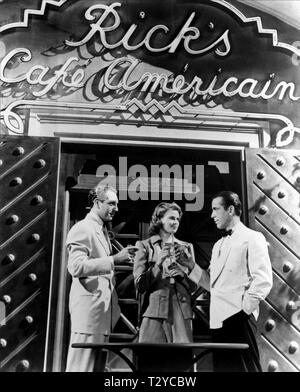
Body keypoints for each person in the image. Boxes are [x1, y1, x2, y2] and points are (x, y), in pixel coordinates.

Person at [176, 191, 273, 372]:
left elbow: (263, 280)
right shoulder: (218, 245)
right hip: (218, 322)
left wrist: (243, 311)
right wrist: (190, 265)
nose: (212, 215)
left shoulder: (253, 237)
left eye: (215, 209)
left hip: (240, 320)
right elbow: (212, 284)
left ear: (230, 209)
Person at [65, 183, 138, 372]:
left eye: (117, 204)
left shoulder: (100, 230)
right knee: (81, 368)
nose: (116, 208)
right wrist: (114, 259)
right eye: (112, 203)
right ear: (97, 203)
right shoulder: (83, 228)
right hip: (89, 317)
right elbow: (76, 266)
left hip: (100, 316)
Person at [133, 202, 197, 343]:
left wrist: (183, 275)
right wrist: (158, 264)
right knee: (152, 360)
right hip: (153, 312)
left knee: (181, 360)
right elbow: (140, 286)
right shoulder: (144, 246)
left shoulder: (186, 247)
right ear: (159, 219)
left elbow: (194, 287)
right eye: (171, 218)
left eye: (177, 219)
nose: (175, 222)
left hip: (181, 311)